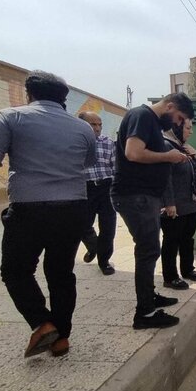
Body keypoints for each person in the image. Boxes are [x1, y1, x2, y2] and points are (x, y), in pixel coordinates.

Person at [0, 71, 96, 357]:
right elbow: (87, 162)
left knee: (15, 271)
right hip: (74, 208)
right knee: (61, 273)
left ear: (30, 94)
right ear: (64, 98)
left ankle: (41, 323)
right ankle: (61, 337)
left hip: (30, 209)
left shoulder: (9, 117)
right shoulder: (83, 128)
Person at [111, 93, 194, 329]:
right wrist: (167, 156)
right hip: (135, 196)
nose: (178, 124)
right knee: (148, 251)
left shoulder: (151, 122)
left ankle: (150, 296)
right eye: (179, 118)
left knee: (149, 250)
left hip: (145, 197)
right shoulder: (142, 115)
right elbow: (133, 153)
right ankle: (145, 313)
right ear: (169, 106)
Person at [161, 118, 196, 290]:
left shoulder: (183, 147)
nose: (190, 131)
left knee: (187, 238)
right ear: (176, 128)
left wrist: (195, 154)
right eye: (188, 128)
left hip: (190, 202)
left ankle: (187, 269)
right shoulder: (165, 146)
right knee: (171, 240)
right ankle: (170, 277)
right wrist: (169, 203)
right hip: (175, 204)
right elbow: (164, 177)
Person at [78, 111, 117, 276]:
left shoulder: (108, 143)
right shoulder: (75, 143)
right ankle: (94, 246)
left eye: (99, 124)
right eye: (93, 124)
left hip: (106, 187)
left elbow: (115, 167)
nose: (98, 128)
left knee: (108, 227)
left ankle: (104, 261)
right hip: (85, 188)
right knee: (81, 224)